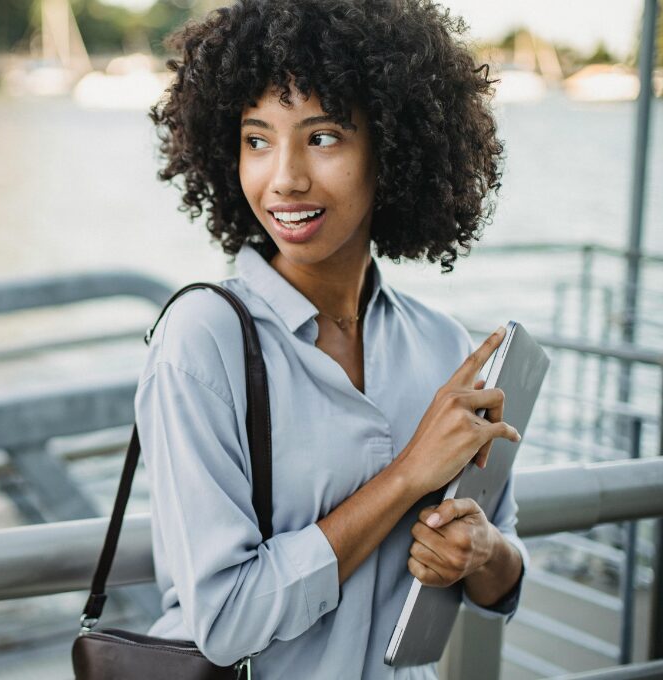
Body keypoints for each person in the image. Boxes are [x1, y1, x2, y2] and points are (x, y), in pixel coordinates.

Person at [136, 0, 529, 677]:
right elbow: (226, 621)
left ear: (394, 148)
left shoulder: (440, 344)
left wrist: (483, 553)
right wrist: (408, 476)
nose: (284, 177)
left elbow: (501, 570)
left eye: (322, 137)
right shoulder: (201, 342)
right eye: (257, 139)